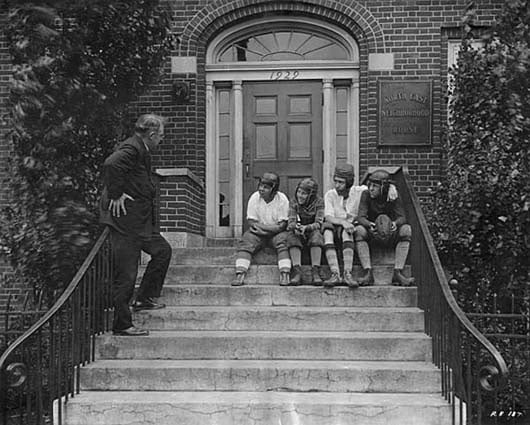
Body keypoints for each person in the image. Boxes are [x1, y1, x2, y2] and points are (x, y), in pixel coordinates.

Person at [100, 114, 172, 336]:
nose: (161, 139)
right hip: (125, 225)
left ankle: (143, 299)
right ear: (151, 135)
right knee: (127, 275)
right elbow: (110, 164)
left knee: (162, 251)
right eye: (160, 136)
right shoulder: (132, 149)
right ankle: (122, 324)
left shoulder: (142, 149)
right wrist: (115, 193)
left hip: (140, 224)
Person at [354, 169, 415, 286]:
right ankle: (368, 272)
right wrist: (369, 224)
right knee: (359, 230)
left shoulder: (393, 195)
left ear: (383, 187)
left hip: (390, 233)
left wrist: (395, 223)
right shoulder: (366, 195)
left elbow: (402, 217)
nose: (371, 188)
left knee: (406, 229)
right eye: (370, 185)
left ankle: (397, 273)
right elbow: (360, 217)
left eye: (375, 186)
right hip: (373, 233)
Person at [232, 172, 291, 286]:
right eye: (260, 186)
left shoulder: (282, 199)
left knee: (283, 241)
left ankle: (285, 273)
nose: (261, 189)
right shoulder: (255, 197)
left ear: (273, 189)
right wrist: (269, 228)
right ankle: (240, 274)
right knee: (247, 239)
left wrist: (264, 228)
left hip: (276, 233)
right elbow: (252, 222)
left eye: (266, 187)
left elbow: (282, 225)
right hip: (258, 233)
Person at [322, 164, 368, 288]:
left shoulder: (360, 192)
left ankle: (347, 273)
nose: (337, 185)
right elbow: (329, 217)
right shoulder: (330, 194)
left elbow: (377, 186)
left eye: (341, 182)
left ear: (349, 183)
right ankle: (335, 273)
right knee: (327, 231)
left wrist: (391, 187)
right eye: (335, 181)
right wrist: (343, 222)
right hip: (334, 226)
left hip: (349, 229)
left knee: (347, 231)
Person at [286, 178, 325, 285]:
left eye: (304, 194)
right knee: (292, 235)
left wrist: (307, 228)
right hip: (299, 231)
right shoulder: (293, 201)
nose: (300, 195)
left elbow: (319, 222)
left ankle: (315, 271)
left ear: (311, 195)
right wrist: (295, 227)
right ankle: (297, 271)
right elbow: (291, 221)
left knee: (317, 235)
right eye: (299, 192)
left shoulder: (319, 202)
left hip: (312, 229)